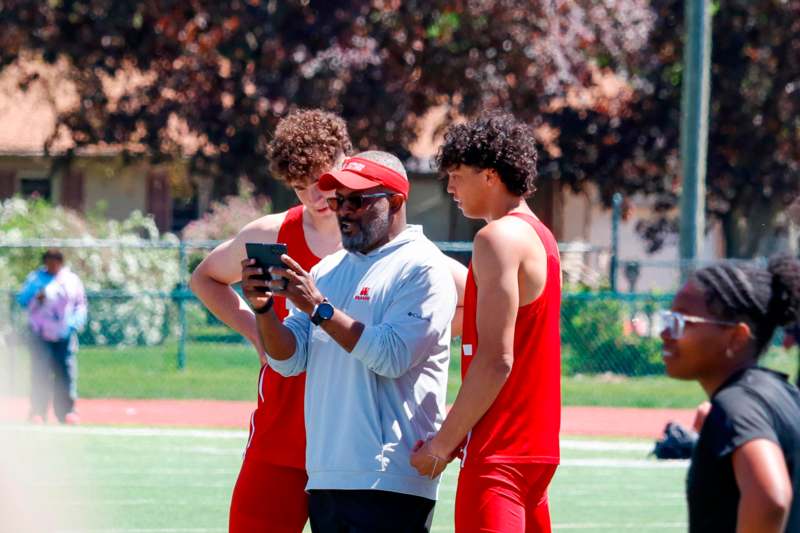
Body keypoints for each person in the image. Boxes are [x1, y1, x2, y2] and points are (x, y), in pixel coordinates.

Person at [241, 151, 458, 533]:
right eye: (338, 200)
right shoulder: (327, 269)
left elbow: (391, 356)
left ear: (395, 202)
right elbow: (288, 360)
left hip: (390, 479)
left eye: (356, 201)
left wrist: (319, 307)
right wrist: (264, 310)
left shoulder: (423, 266)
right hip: (326, 473)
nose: (343, 210)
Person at [190, 109, 352, 533]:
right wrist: (253, 331)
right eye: (300, 186)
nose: (315, 196)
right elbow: (205, 278)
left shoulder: (382, 238)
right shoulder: (270, 233)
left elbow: (459, 297)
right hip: (279, 433)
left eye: (322, 179)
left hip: (354, 442)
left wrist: (401, 346)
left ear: (346, 159)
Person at [410, 112, 562, 533]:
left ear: (490, 176)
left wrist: (441, 445)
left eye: (457, 176)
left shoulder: (496, 238)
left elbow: (496, 361)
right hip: (535, 453)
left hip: (501, 454)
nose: (450, 188)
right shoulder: (541, 236)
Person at [661, 256, 800, 532]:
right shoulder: (782, 393)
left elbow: (771, 498)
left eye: (681, 322)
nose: (666, 332)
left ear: (736, 337)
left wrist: (731, 422)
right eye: (668, 319)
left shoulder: (736, 405)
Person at [17, 249, 87, 424]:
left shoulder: (71, 280)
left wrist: (74, 323)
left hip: (64, 334)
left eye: (56, 261)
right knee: (40, 372)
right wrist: (36, 296)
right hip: (40, 334)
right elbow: (22, 300)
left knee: (65, 373)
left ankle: (66, 412)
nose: (52, 265)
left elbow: (80, 305)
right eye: (49, 261)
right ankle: (38, 411)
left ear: (61, 262)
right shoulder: (35, 279)